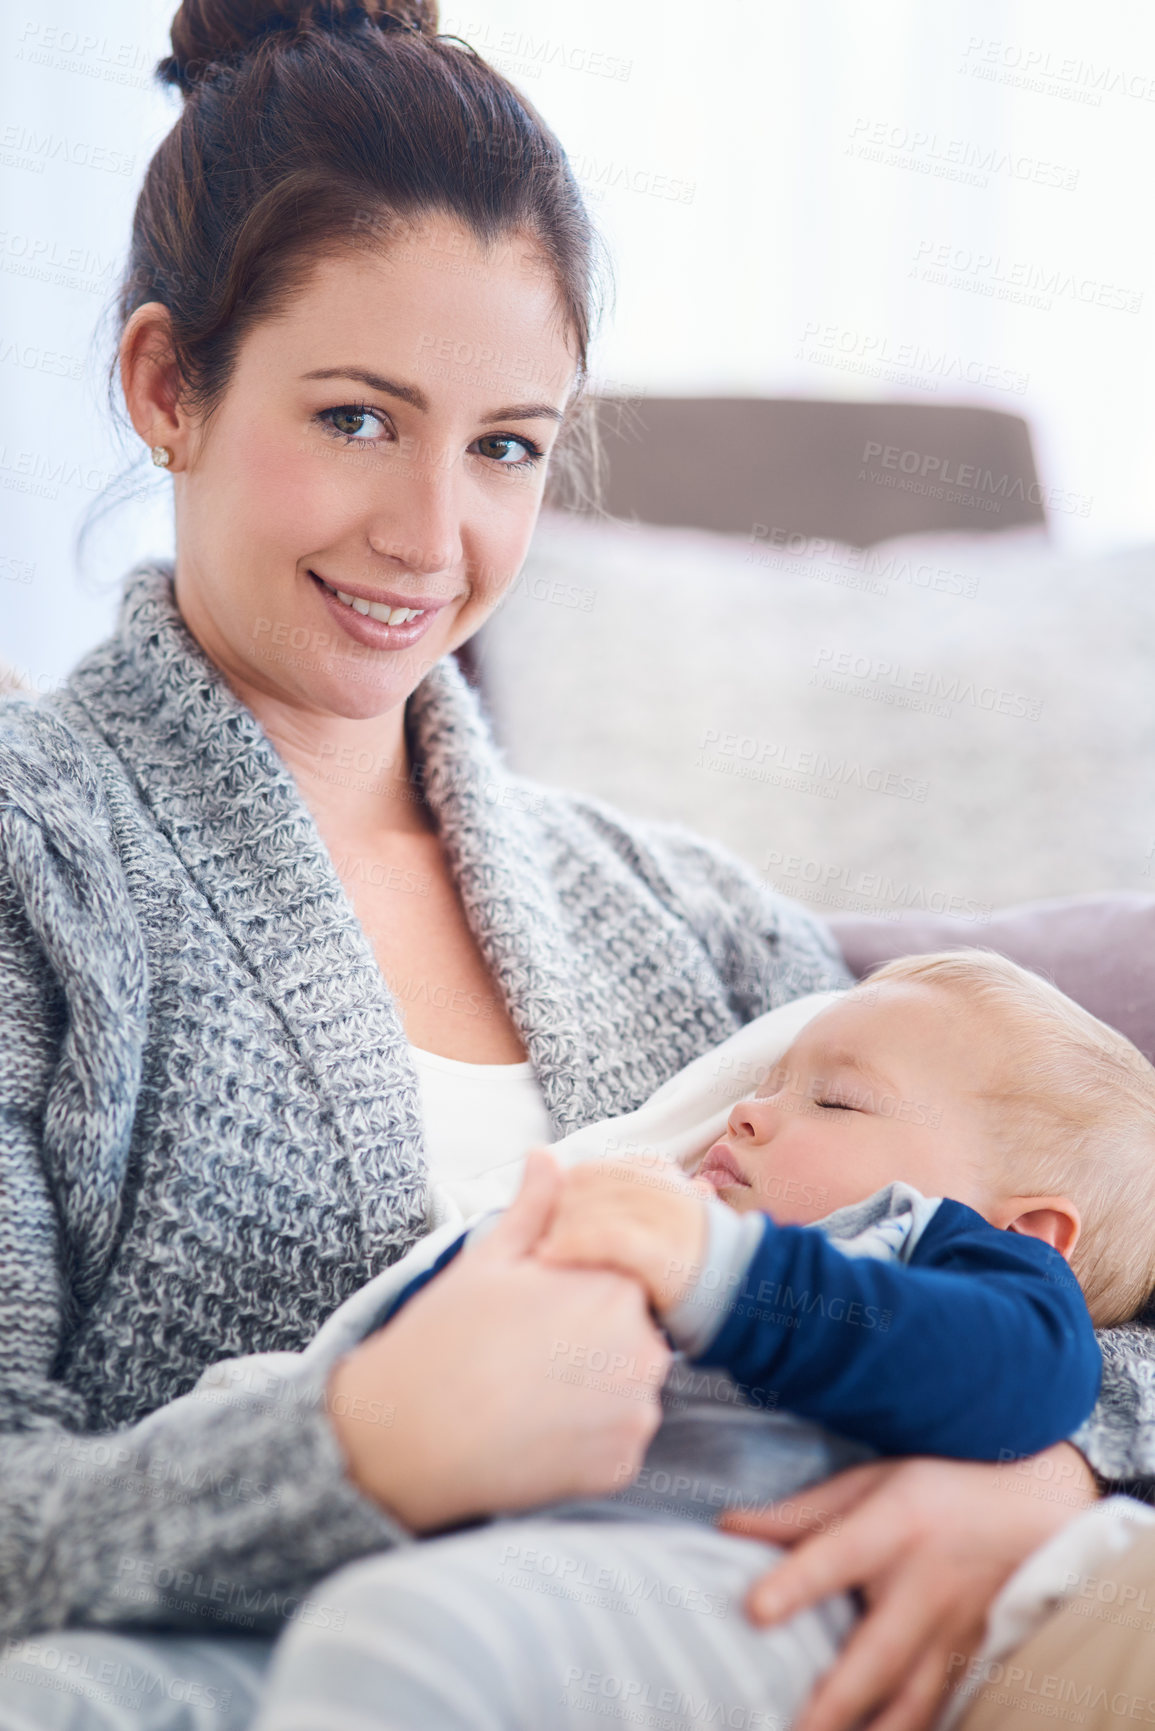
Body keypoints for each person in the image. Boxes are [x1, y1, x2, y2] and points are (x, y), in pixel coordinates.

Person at [0, 4, 1151, 1730]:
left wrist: (1055, 1471)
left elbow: (1071, 1251)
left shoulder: (676, 913)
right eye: (360, 420)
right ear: (170, 385)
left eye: (505, 447)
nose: (431, 535)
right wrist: (351, 1449)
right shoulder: (43, 867)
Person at [248, 949, 1147, 1729]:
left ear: (1026, 1235)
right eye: (763, 1085)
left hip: (769, 1602)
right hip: (530, 1574)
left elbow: (1031, 1373)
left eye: (834, 1101)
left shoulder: (927, 1249)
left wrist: (714, 1268)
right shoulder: (666, 1214)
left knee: (402, 1635)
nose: (745, 1115)